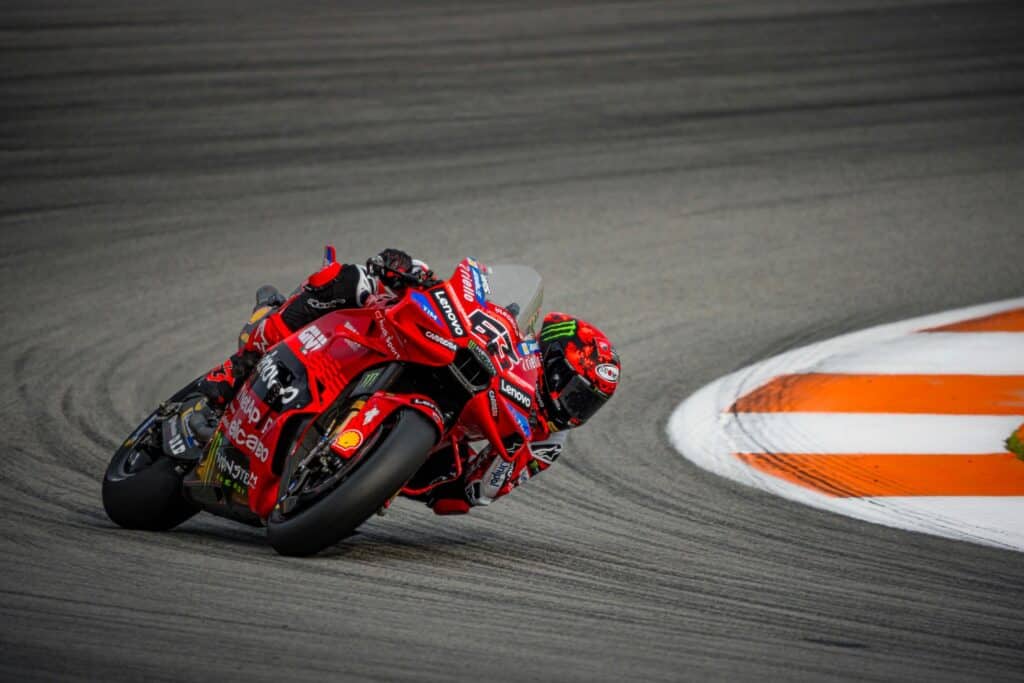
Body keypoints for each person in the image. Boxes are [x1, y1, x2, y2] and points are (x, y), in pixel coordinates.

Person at [196, 248, 621, 515]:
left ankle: (353, 475)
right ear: (551, 360)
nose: (574, 409)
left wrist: (403, 478)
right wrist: (410, 272)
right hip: (413, 348)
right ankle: (236, 368)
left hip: (444, 432)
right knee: (351, 281)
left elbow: (481, 489)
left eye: (587, 405)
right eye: (575, 393)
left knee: (448, 483)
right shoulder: (515, 345)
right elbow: (465, 297)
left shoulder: (547, 441)